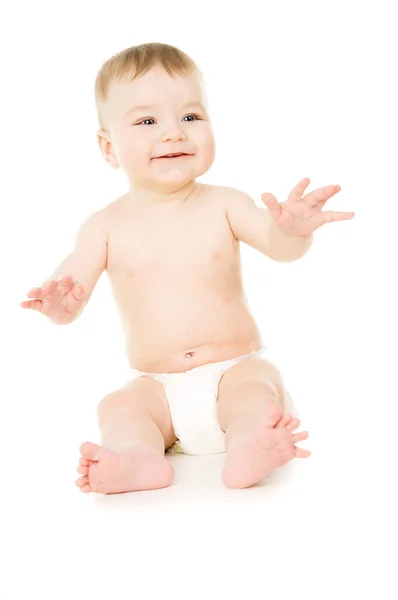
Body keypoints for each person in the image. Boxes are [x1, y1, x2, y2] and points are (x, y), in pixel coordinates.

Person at [20, 43, 354, 494]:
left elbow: (281, 249)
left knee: (258, 390)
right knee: (118, 405)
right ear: (108, 147)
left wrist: (293, 230)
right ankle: (138, 459)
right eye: (147, 121)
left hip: (233, 369)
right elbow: (71, 290)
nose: (174, 133)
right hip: (158, 387)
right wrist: (59, 305)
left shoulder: (225, 203)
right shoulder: (103, 227)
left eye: (191, 117)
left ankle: (250, 446)